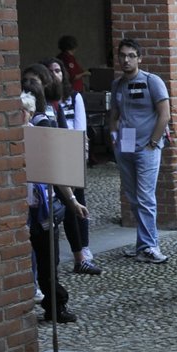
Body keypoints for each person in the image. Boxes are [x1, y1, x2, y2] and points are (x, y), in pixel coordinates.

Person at [23, 75, 87, 323]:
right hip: (20, 210)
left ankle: (55, 305)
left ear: (30, 113)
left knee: (48, 260)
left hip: (40, 208)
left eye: (24, 111)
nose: (21, 115)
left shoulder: (39, 136)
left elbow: (56, 170)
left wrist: (72, 200)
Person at [105, 37, 170, 263]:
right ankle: (142, 243)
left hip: (147, 147)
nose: (126, 60)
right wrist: (114, 136)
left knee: (145, 197)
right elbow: (114, 113)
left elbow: (164, 114)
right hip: (125, 147)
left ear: (139, 58)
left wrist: (153, 142)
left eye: (131, 55)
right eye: (122, 55)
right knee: (133, 197)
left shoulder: (152, 81)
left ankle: (150, 245)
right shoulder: (117, 85)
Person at [42, 58, 100, 274]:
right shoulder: (44, 101)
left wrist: (78, 158)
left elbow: (79, 128)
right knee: (63, 207)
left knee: (77, 204)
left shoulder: (73, 97)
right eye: (50, 71)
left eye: (57, 70)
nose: (54, 74)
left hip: (71, 156)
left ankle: (83, 249)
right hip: (53, 159)